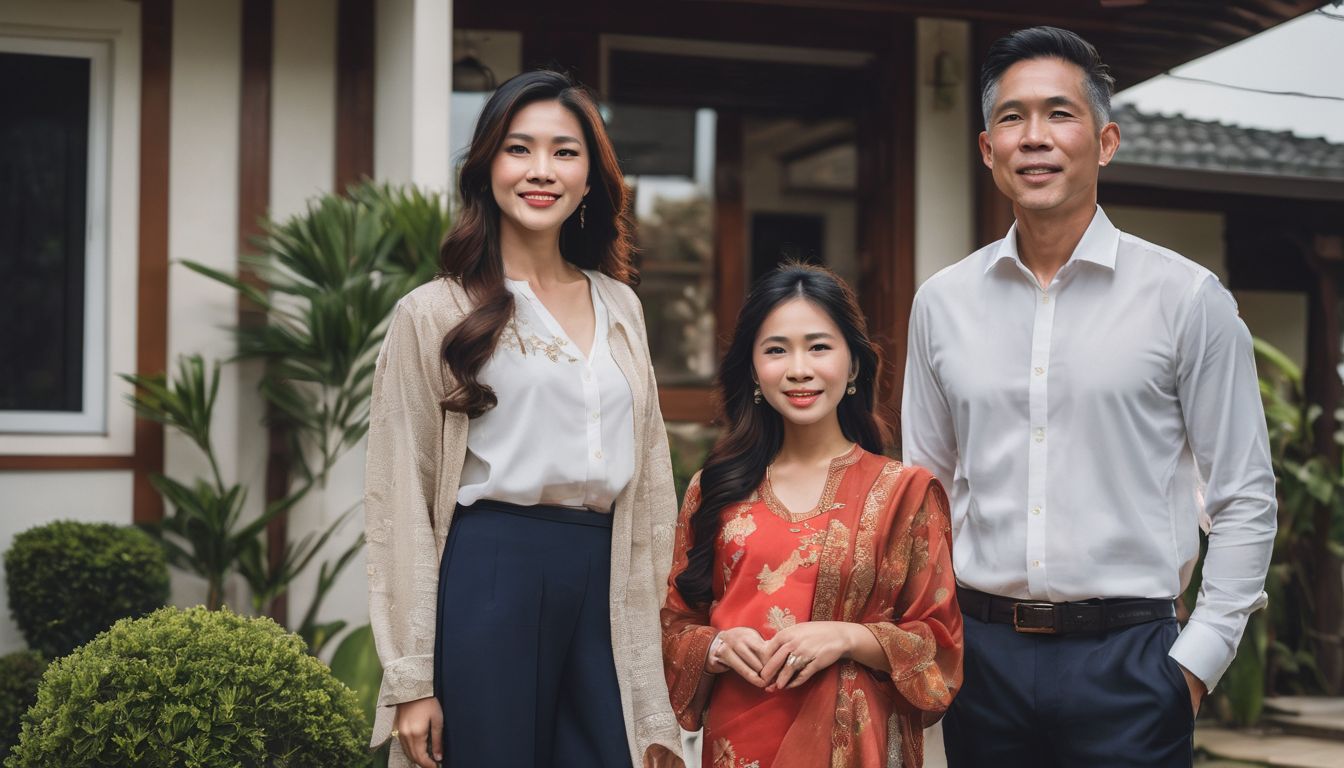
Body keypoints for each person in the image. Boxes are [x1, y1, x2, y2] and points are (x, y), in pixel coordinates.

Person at [901, 26, 1277, 767]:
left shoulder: (1185, 297)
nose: (1034, 137)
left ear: (1105, 142)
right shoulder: (942, 303)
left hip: (1132, 662)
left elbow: (1244, 494)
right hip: (984, 660)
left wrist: (1194, 665)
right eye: (1011, 118)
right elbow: (927, 493)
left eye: (1058, 114)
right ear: (987, 149)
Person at [363, 70, 684, 768]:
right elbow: (398, 500)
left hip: (606, 577)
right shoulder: (435, 313)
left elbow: (654, 483)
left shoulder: (621, 306)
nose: (542, 171)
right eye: (520, 149)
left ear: (592, 178)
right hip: (493, 574)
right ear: (487, 169)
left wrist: (663, 646)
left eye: (565, 152)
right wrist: (412, 680)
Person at [662, 262, 962, 768]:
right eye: (777, 350)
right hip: (739, 736)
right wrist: (715, 647)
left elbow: (940, 648)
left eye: (819, 347)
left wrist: (849, 637)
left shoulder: (905, 493)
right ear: (754, 369)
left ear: (854, 365)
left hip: (851, 745)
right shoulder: (714, 489)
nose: (799, 368)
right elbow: (674, 622)